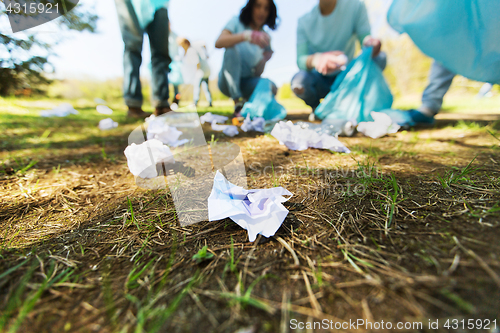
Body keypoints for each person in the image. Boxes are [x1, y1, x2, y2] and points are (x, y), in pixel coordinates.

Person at [291, 0, 386, 121]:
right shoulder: (304, 21)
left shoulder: (356, 6)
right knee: (299, 82)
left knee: (379, 58)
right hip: (320, 79)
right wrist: (317, 59)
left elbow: (365, 38)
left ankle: (358, 105)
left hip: (348, 77)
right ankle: (319, 109)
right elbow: (301, 60)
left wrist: (370, 43)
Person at [215, 0, 278, 117]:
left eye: (266, 8)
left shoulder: (265, 38)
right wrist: (246, 36)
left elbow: (257, 73)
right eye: (258, 6)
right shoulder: (236, 22)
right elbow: (218, 42)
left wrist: (264, 59)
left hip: (246, 82)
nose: (262, 12)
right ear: (251, 7)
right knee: (231, 50)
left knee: (271, 86)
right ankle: (238, 102)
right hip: (227, 82)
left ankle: (250, 105)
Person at [114, 0, 171, 118]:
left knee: (161, 52)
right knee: (132, 48)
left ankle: (162, 105)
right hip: (130, 2)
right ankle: (133, 105)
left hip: (159, 4)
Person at [178, 38, 213, 107]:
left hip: (201, 71)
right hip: (206, 69)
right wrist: (206, 54)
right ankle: (210, 102)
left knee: (197, 87)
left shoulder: (191, 50)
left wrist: (196, 71)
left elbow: (197, 62)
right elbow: (203, 43)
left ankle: (195, 102)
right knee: (206, 87)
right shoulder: (195, 46)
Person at [168, 25, 182, 108]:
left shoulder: (175, 36)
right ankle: (165, 100)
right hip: (166, 60)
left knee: (176, 83)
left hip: (175, 61)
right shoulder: (162, 35)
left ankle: (176, 100)